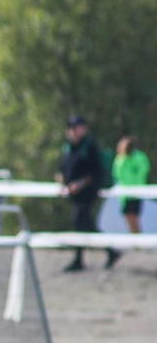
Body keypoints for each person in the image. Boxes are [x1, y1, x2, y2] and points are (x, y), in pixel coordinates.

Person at [57, 115, 110, 271]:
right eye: (70, 128)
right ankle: (111, 251)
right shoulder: (68, 147)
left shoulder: (90, 146)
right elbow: (61, 169)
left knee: (80, 221)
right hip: (74, 194)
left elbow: (96, 171)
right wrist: (62, 183)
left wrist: (79, 184)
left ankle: (78, 259)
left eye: (76, 127)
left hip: (87, 193)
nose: (72, 131)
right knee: (87, 224)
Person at [113, 136, 150, 238]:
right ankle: (134, 239)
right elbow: (116, 174)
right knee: (128, 217)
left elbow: (142, 172)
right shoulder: (120, 159)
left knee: (135, 218)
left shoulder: (140, 157)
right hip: (124, 195)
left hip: (136, 193)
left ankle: (139, 239)